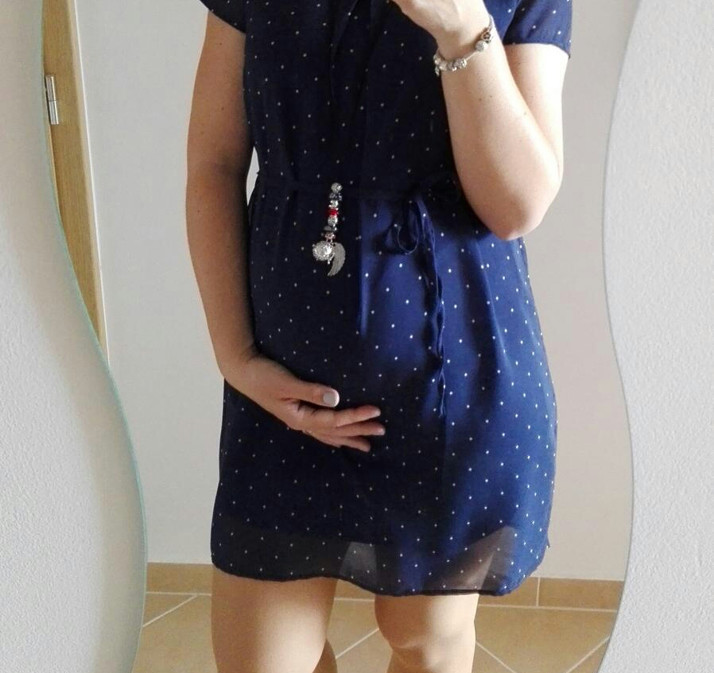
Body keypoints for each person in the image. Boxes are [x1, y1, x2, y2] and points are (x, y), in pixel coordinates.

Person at [186, 1, 572, 671]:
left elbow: (517, 205)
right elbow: (213, 163)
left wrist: (460, 29)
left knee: (424, 641)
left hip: (446, 386)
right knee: (259, 660)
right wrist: (235, 355)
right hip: (280, 389)